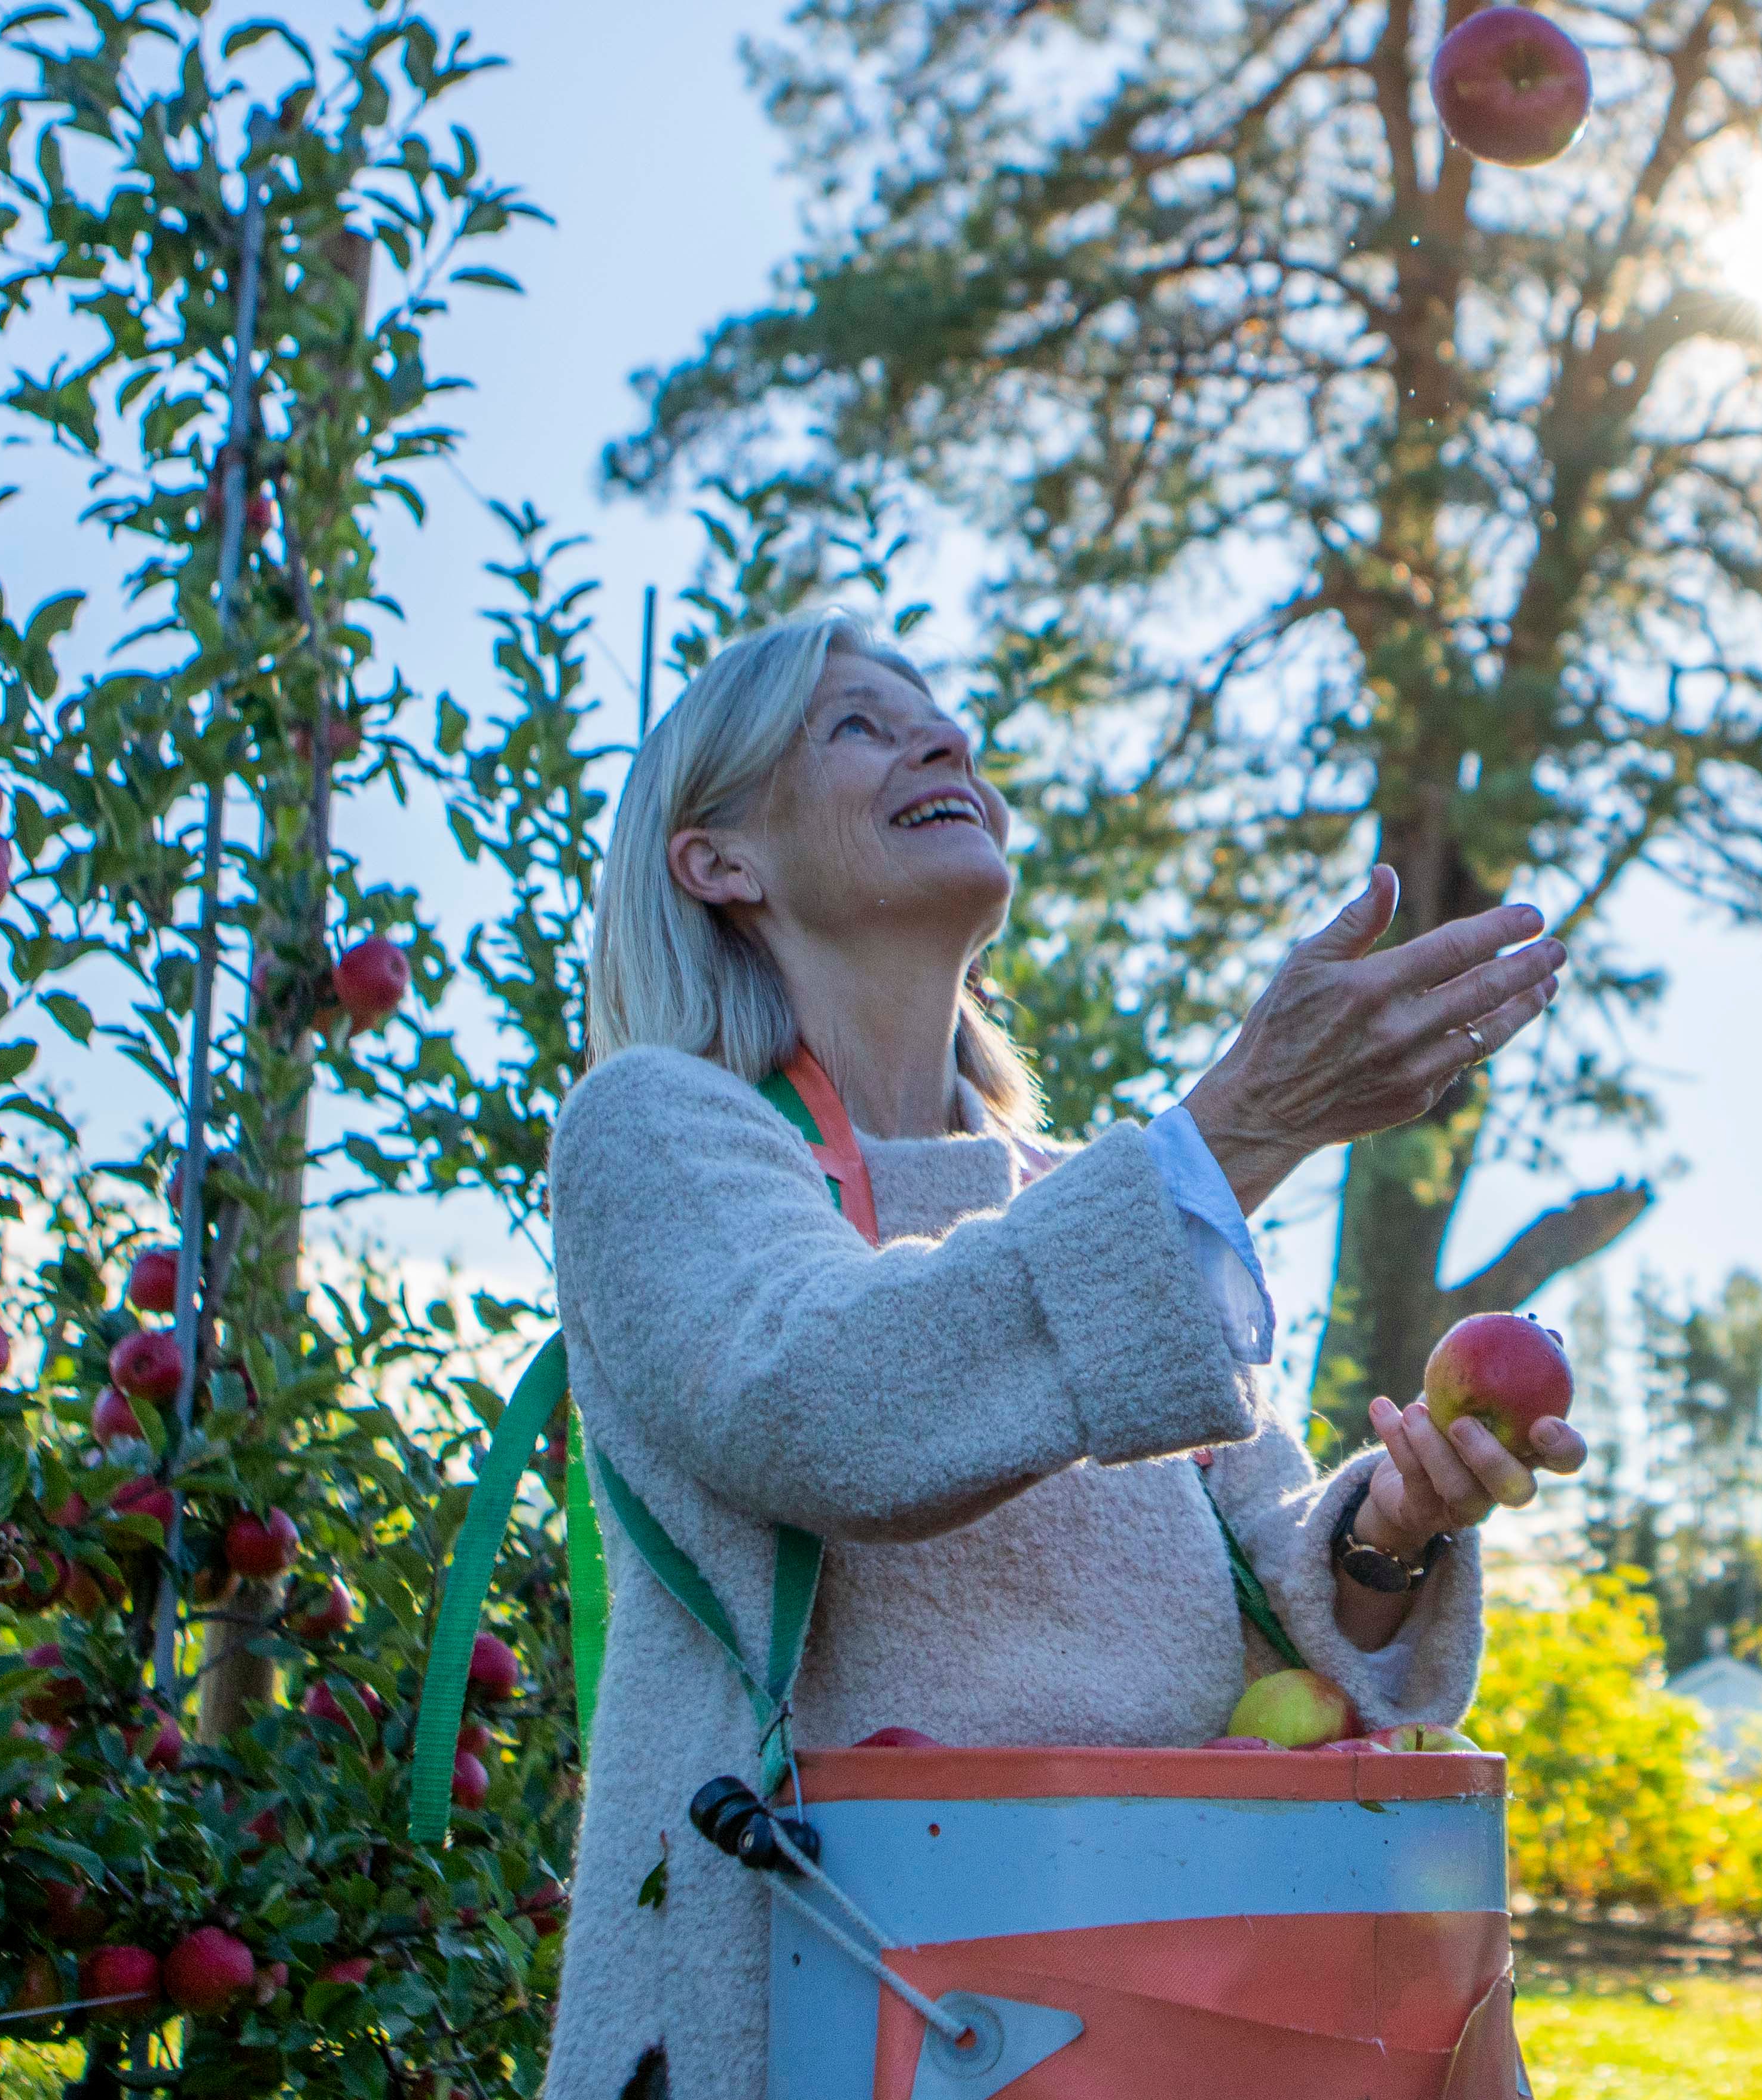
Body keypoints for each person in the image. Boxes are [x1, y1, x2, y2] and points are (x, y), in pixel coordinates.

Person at [538, 612, 1575, 2099]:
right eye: (857, 726)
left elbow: (1265, 1565)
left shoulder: (1087, 1200)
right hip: (841, 2003)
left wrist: (1391, 1536)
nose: (942, 741)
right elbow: (825, 1407)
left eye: (939, 719)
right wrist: (1242, 1127)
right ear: (718, 859)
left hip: (1176, 1999)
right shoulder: (662, 1129)